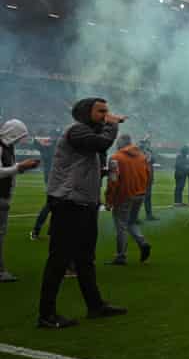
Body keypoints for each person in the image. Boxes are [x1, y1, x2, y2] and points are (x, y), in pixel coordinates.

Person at [37, 98, 128, 329]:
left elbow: (84, 162)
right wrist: (113, 124)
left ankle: (95, 306)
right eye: (101, 111)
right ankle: (46, 314)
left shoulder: (86, 135)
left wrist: (104, 172)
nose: (106, 115)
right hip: (68, 202)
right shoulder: (77, 130)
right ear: (86, 113)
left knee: (86, 259)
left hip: (85, 204)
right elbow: (102, 144)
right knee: (59, 259)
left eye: (107, 111)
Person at [1, 119, 41, 282]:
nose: (19, 140)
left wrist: (22, 167)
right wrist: (19, 167)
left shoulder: (7, 148)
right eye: (19, 136)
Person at [105, 134, 152, 265]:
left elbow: (113, 181)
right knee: (131, 222)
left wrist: (109, 199)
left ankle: (121, 256)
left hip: (124, 196)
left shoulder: (115, 158)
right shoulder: (142, 156)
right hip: (140, 194)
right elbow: (148, 175)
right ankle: (143, 243)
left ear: (120, 143)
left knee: (121, 226)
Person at [30, 129, 59, 240]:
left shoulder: (48, 148)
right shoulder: (58, 149)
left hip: (51, 180)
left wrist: (35, 138)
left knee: (53, 205)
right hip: (57, 180)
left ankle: (47, 231)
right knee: (52, 205)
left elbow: (36, 144)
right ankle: (37, 230)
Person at [139, 136, 158, 221]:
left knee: (148, 197)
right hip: (141, 177)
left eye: (148, 143)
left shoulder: (149, 152)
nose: (148, 145)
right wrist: (143, 143)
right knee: (138, 198)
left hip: (149, 177)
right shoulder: (139, 152)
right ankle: (134, 217)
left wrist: (150, 151)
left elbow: (154, 160)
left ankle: (149, 215)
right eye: (146, 143)